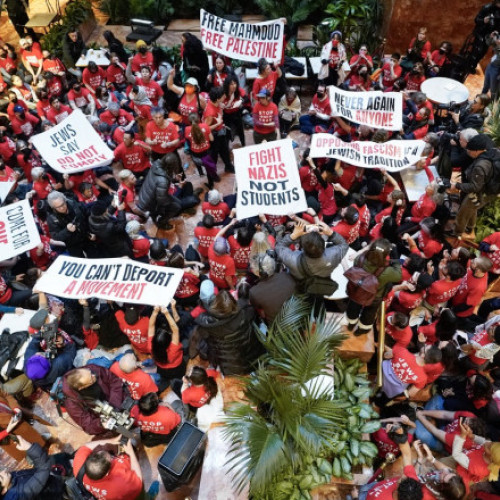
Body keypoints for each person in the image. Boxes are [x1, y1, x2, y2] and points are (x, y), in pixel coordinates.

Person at [194, 289, 263, 375]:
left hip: (231, 365)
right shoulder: (246, 311)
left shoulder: (206, 325)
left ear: (215, 305)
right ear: (234, 302)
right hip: (254, 356)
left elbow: (202, 348)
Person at [345, 239, 402, 335]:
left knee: (353, 307)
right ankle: (361, 330)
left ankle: (351, 324)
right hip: (375, 296)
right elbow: (399, 275)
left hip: (357, 290)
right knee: (369, 312)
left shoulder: (359, 259)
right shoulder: (388, 271)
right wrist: (395, 258)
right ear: (386, 254)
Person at [452, 133, 499, 236]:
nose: (468, 152)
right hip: (490, 191)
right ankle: (470, 227)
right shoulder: (492, 152)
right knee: (473, 207)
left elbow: (475, 187)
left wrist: (456, 185)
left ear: (478, 150)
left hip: (481, 193)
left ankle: (457, 232)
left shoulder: (480, 166)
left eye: (470, 150)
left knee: (463, 212)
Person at [62, 364, 129, 435]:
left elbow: (115, 382)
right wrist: (101, 424)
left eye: (90, 373)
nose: (94, 375)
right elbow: (88, 426)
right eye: (91, 378)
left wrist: (114, 405)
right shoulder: (72, 404)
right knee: (126, 434)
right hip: (104, 418)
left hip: (116, 401)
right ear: (82, 387)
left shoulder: (92, 369)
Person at [72, 436, 143, 500]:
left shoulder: (78, 466)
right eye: (111, 458)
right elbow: (139, 481)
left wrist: (112, 440)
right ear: (107, 473)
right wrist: (130, 452)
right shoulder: (121, 484)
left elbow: (86, 446)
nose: (112, 457)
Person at [248, 252, 297, 324]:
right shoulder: (286, 276)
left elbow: (259, 310)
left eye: (252, 268)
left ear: (258, 272)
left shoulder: (254, 292)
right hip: (296, 318)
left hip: (277, 328)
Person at [137, 154, 182, 230]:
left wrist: (173, 178)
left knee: (177, 203)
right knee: (176, 207)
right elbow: (162, 200)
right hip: (150, 202)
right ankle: (161, 222)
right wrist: (167, 205)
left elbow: (164, 174)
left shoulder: (156, 164)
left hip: (145, 195)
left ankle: (156, 215)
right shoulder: (163, 181)